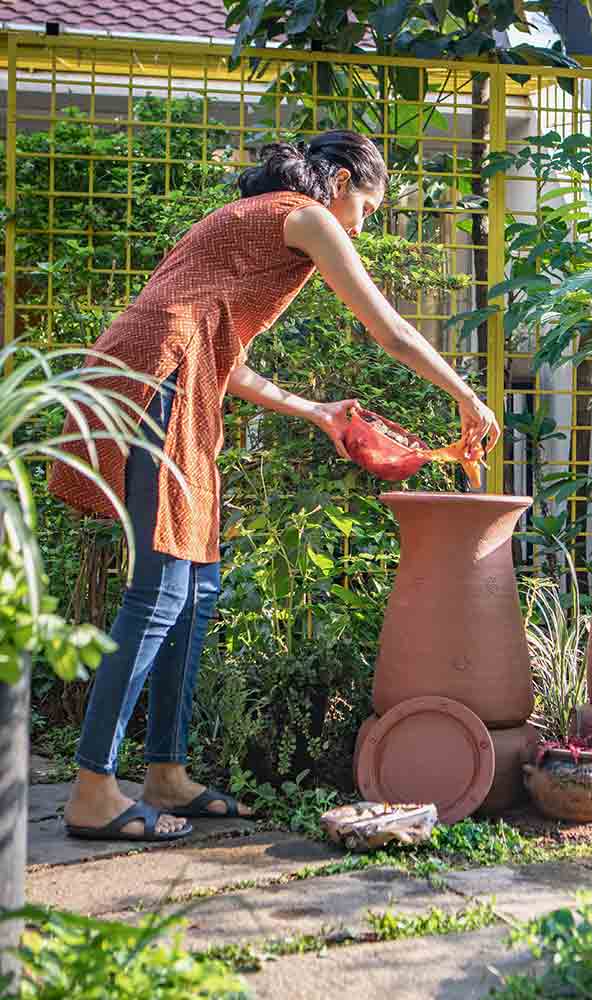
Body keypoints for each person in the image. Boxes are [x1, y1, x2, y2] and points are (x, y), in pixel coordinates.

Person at [48, 130, 500, 842]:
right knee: (161, 588)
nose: (361, 227)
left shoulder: (254, 231)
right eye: (369, 209)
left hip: (178, 376)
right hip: (159, 377)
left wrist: (315, 411)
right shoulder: (305, 215)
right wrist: (465, 397)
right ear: (343, 182)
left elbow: (227, 360)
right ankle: (92, 789)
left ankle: (165, 774)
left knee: (194, 591)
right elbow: (387, 330)